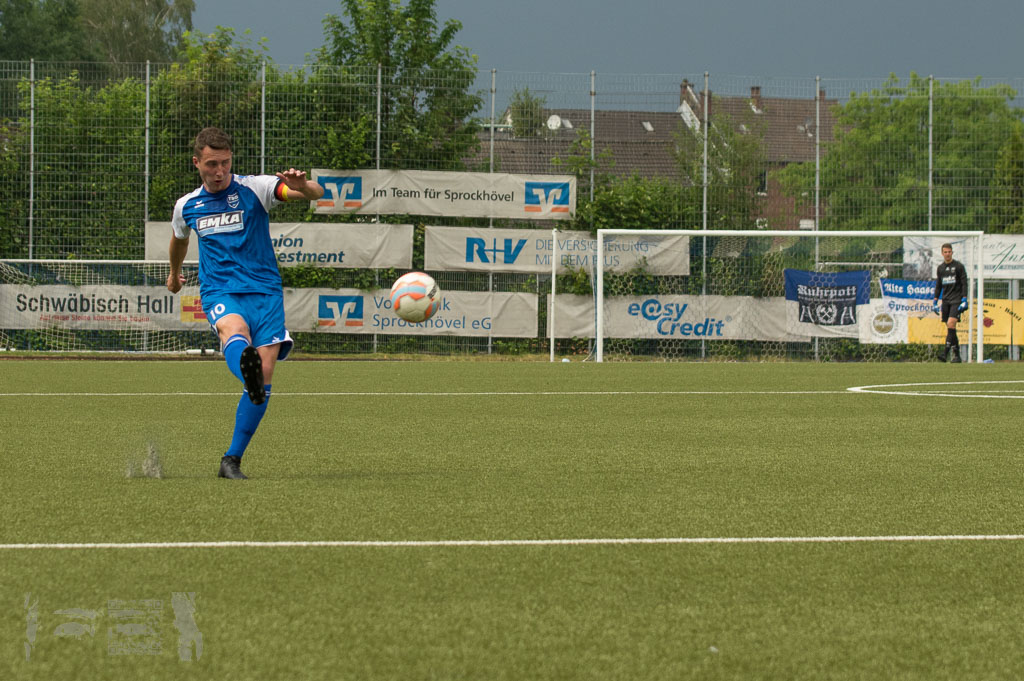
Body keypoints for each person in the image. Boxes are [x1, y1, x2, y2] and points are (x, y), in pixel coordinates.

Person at [166, 127, 324, 479]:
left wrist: (301, 185)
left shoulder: (257, 188)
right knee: (233, 330)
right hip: (220, 290)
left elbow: (316, 192)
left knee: (265, 373)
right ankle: (247, 377)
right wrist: (175, 274)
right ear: (197, 163)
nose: (219, 171)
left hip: (265, 290)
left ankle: (231, 460)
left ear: (231, 160)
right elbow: (179, 239)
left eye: (224, 163)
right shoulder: (187, 205)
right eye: (211, 164)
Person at [932, 242, 969, 363]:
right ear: (942, 253)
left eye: (949, 252)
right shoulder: (940, 268)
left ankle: (945, 353)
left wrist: (964, 298)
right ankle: (957, 356)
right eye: (945, 252)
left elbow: (964, 282)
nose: (947, 254)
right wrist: (935, 301)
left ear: (952, 252)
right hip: (946, 301)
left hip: (956, 300)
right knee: (950, 328)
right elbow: (938, 286)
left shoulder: (958, 266)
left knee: (951, 323)